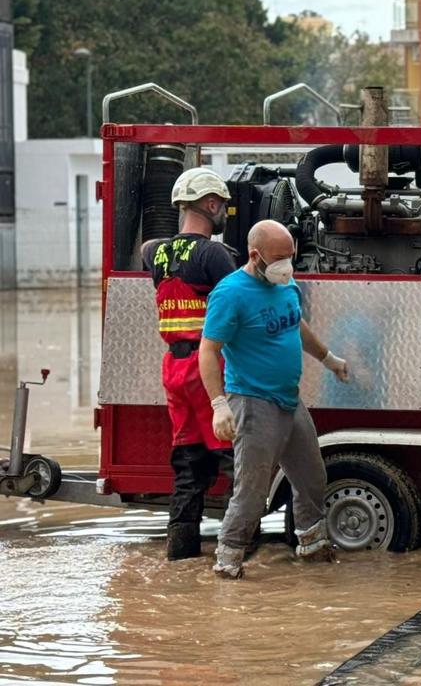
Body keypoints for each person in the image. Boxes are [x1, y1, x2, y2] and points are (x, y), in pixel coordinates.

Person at [198, 219, 350, 579]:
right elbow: (207, 351)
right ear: (255, 255)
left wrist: (328, 359)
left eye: (290, 256)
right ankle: (228, 563)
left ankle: (311, 547)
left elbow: (296, 323)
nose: (287, 264)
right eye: (279, 258)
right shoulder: (230, 293)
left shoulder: (284, 281)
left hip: (288, 400)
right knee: (251, 494)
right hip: (252, 403)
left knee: (312, 478)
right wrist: (219, 405)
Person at [142, 167, 237, 561]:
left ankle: (180, 557)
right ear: (211, 204)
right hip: (208, 368)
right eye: (224, 209)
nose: (224, 217)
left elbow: (155, 253)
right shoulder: (214, 254)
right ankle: (236, 552)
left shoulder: (153, 253)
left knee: (188, 467)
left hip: (174, 371)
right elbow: (239, 301)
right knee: (237, 461)